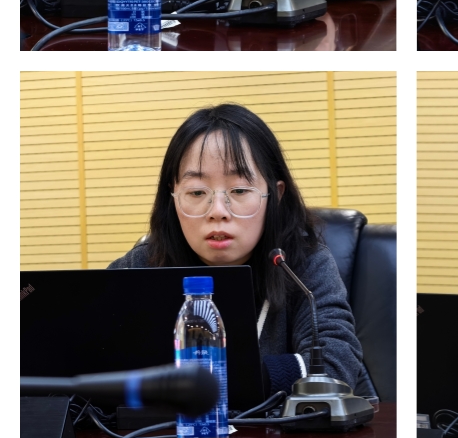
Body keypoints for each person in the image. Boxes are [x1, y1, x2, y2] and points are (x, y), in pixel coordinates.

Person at [107, 102, 376, 400]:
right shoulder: (142, 265)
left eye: (239, 191)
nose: (218, 211)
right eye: (196, 192)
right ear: (173, 196)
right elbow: (86, 362)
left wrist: (232, 378)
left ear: (274, 195)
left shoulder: (303, 264)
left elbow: (336, 365)